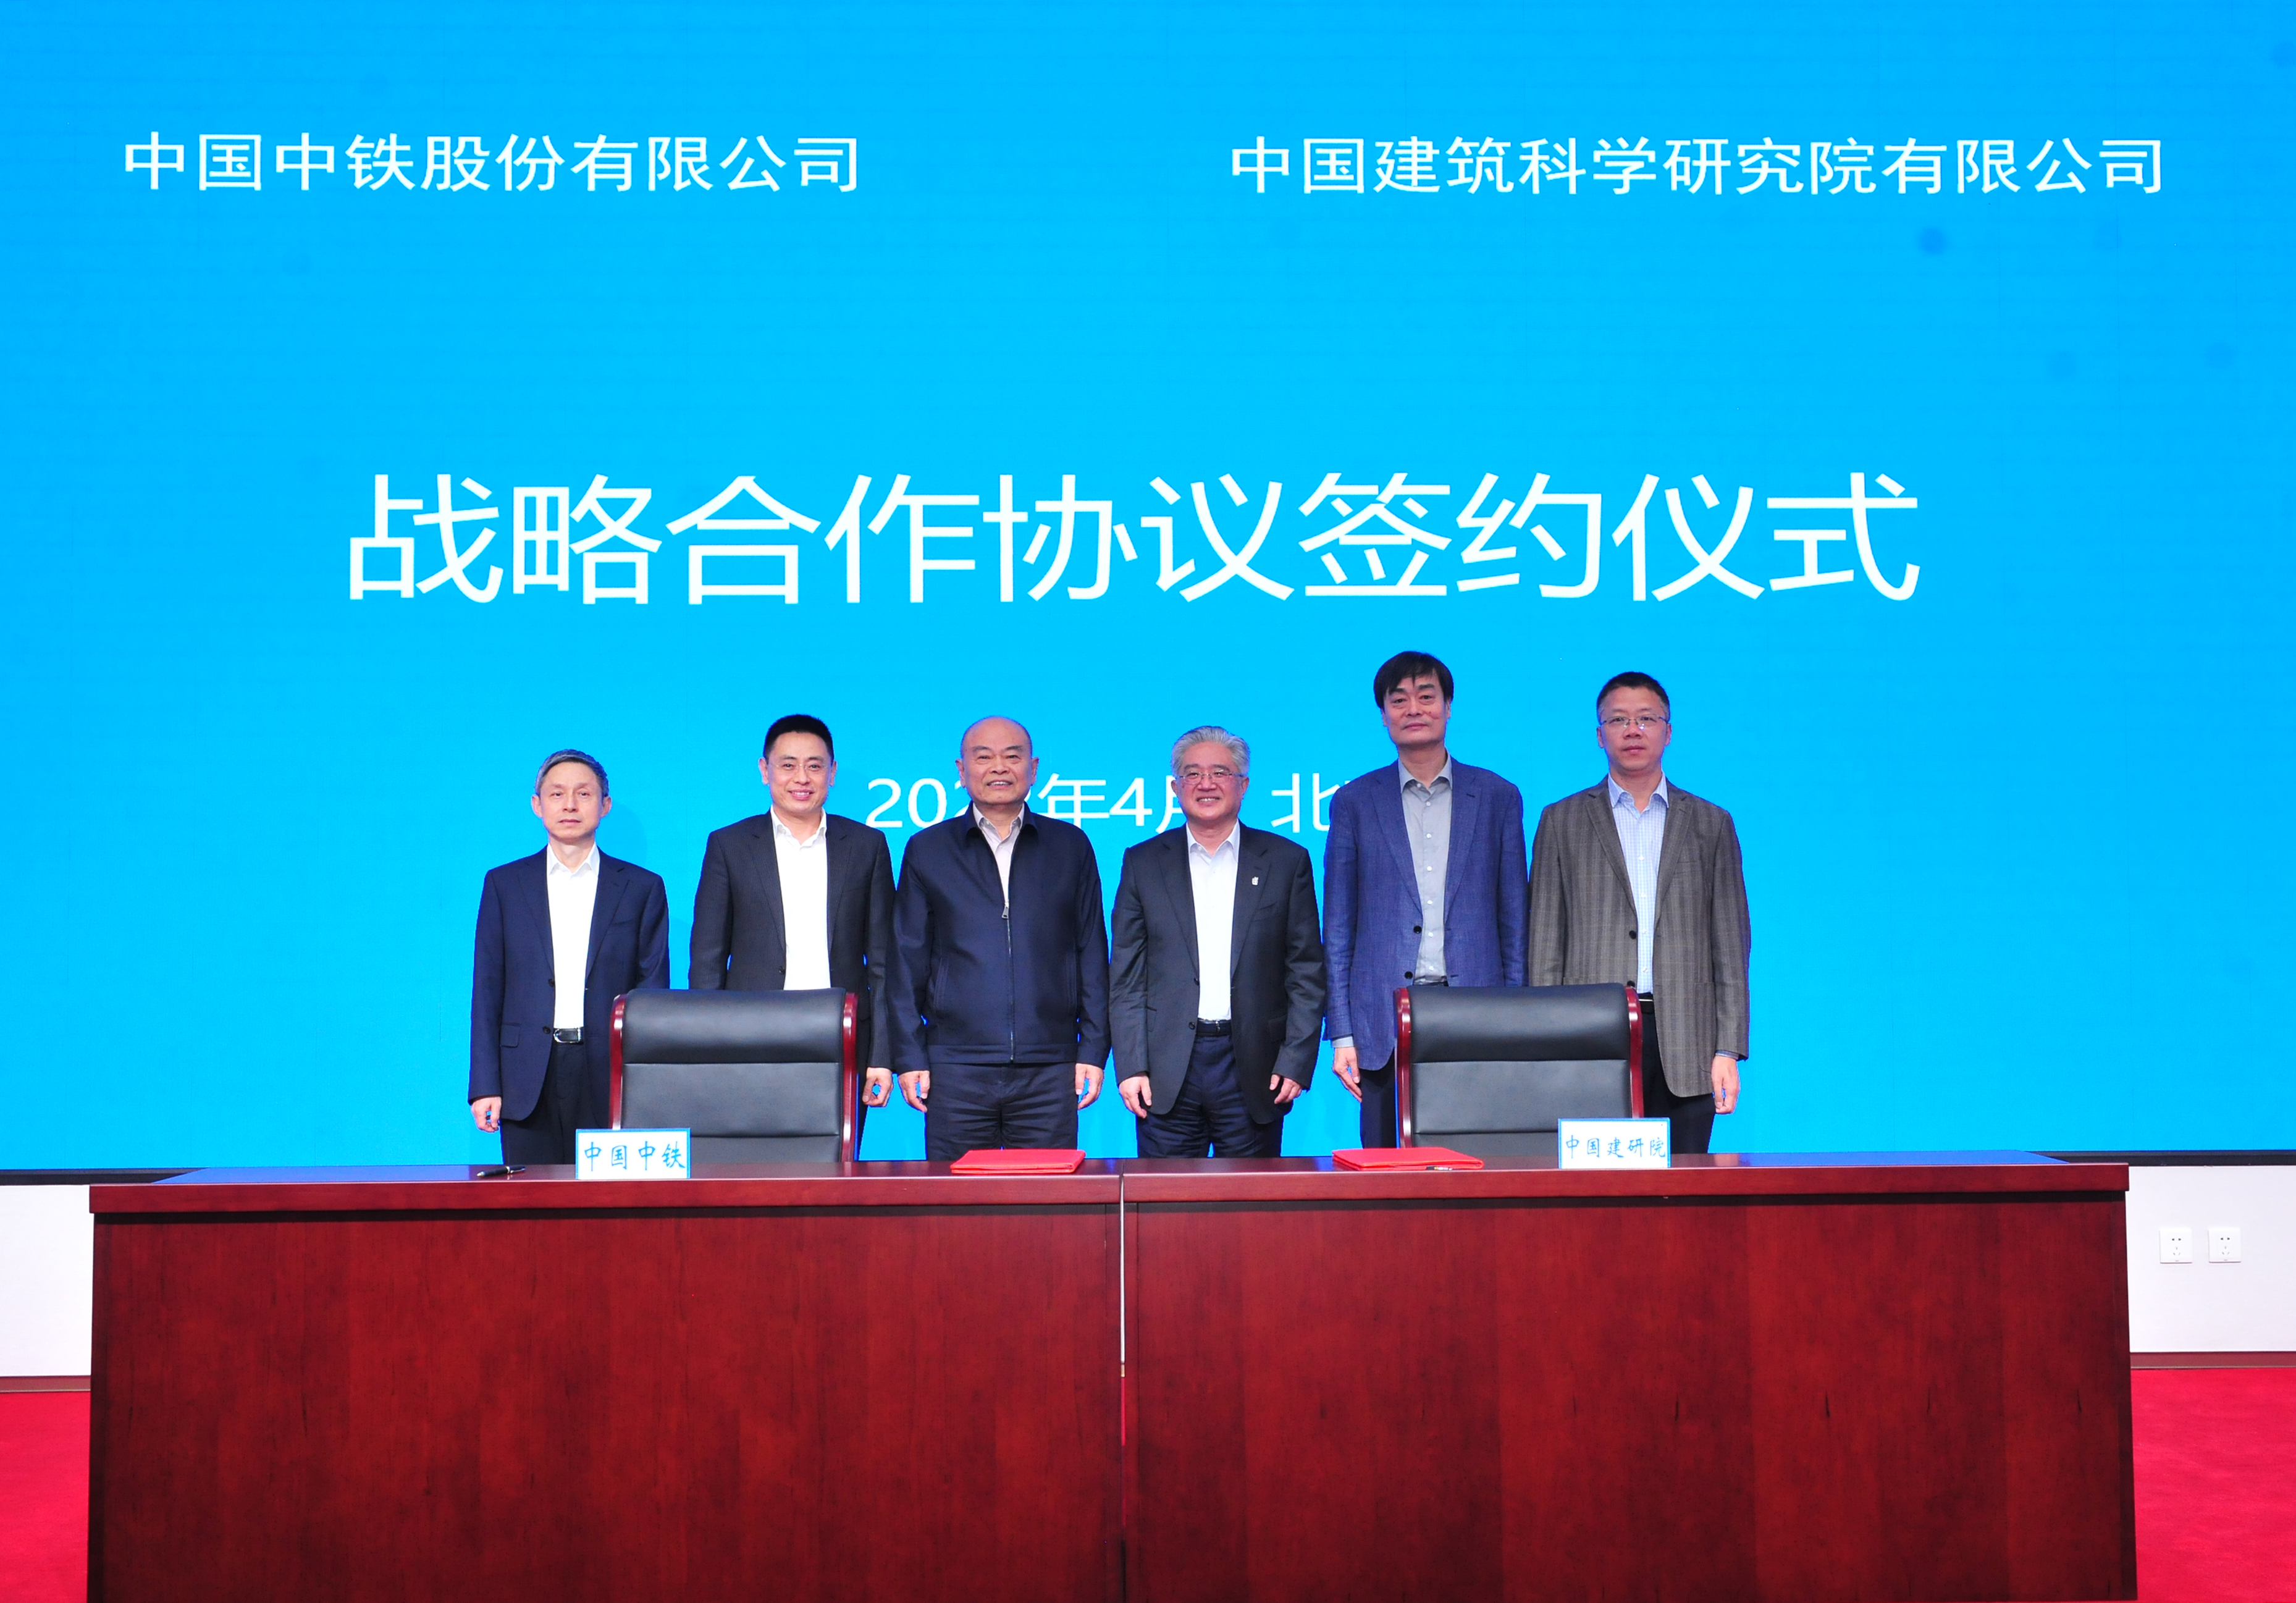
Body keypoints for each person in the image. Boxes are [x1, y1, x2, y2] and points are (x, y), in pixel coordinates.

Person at [1528, 671, 1749, 1154]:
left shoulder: (1711, 823)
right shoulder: (1561, 820)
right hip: (1591, 1039)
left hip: (1687, 1040)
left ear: (1668, 732)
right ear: (1599, 734)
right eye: (1618, 720)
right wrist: (1549, 1045)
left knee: (1683, 1189)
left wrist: (1727, 1048)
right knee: (1596, 1190)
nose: (1633, 730)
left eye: (1646, 719)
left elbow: (1730, 947)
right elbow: (1544, 946)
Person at [1323, 650, 1528, 1147]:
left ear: (1448, 707)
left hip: (1476, 1010)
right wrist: (1343, 1032)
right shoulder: (1354, 802)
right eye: (1398, 700)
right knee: (1381, 1163)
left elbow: (1514, 922)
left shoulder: (1497, 796)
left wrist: (1517, 1017)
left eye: (1425, 696)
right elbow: (1339, 926)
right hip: (1381, 1015)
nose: (1413, 708)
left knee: (1476, 1156)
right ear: (1383, 714)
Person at [888, 716, 1109, 1159]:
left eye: (1012, 756)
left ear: (1034, 767)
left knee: (1046, 1198)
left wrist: (1092, 1048)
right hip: (955, 1067)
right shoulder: (928, 849)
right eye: (984, 757)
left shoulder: (1070, 846)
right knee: (957, 1199)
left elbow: (1091, 952)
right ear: (961, 769)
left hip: (1050, 1066)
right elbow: (906, 960)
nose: (999, 767)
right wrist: (910, 1057)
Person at [1111, 728, 1326, 1158]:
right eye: (1192, 774)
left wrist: (1296, 1060)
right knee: (1167, 1198)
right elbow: (1126, 976)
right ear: (1175, 788)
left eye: (1220, 773)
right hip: (1166, 1069)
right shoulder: (1143, 862)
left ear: (1243, 785)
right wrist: (1132, 1065)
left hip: (1255, 1066)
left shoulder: (1286, 861)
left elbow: (1306, 971)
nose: (1205, 784)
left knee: (1251, 1198)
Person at [690, 713, 897, 1121]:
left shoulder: (866, 845)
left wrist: (882, 1055)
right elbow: (707, 960)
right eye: (788, 765)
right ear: (764, 770)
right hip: (749, 1037)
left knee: (837, 1157)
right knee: (752, 1156)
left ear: (832, 773)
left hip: (842, 1036)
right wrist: (709, 1048)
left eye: (814, 766)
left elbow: (884, 963)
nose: (801, 778)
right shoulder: (729, 845)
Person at [469, 750, 670, 1164]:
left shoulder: (641, 887)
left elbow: (652, 994)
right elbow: (487, 989)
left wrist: (648, 1082)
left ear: (605, 805)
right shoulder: (505, 884)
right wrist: (485, 1085)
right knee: (530, 1197)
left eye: (584, 793)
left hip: (610, 1071)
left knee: (609, 1199)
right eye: (557, 794)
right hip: (527, 1073)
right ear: (537, 805)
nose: (570, 805)